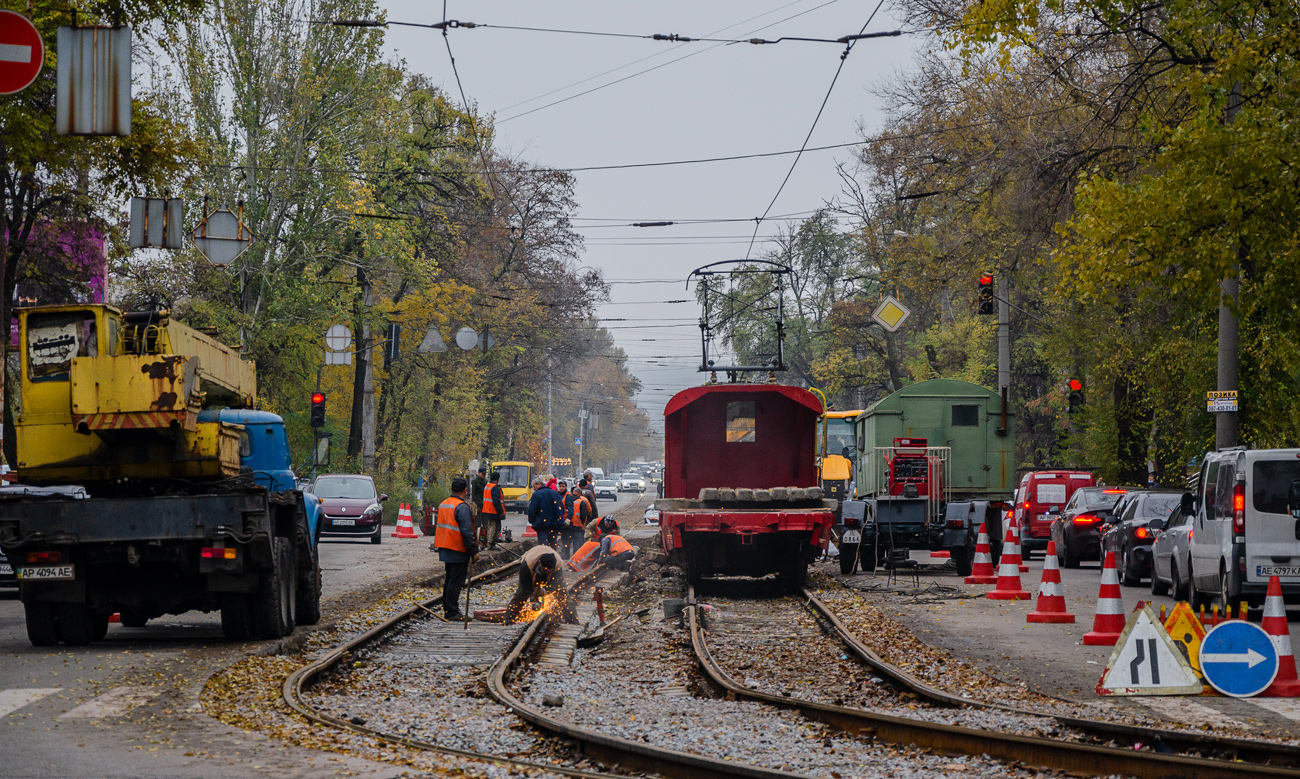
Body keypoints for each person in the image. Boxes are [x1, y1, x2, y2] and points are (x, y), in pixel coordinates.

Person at [433, 477, 479, 620]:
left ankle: (448, 609)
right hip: (458, 548)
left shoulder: (444, 504)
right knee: (456, 582)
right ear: (465, 490)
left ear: (452, 489)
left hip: (445, 547)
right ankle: (452, 612)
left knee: (449, 580)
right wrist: (474, 551)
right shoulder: (461, 507)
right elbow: (467, 531)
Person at [505, 544, 578, 624]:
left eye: (549, 571)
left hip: (551, 570)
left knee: (562, 596)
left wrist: (546, 591)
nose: (547, 572)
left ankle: (573, 621)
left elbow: (555, 585)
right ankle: (508, 620)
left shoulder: (558, 565)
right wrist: (534, 597)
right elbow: (526, 587)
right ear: (540, 563)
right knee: (520, 595)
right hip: (531, 566)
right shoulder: (527, 564)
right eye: (545, 570)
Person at [526, 476, 564, 550]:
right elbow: (560, 508)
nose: (534, 489)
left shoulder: (537, 494)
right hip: (554, 525)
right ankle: (553, 558)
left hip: (542, 525)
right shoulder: (555, 493)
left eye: (534, 486)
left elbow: (532, 510)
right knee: (552, 543)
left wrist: (532, 520)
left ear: (539, 484)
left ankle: (545, 559)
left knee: (543, 545)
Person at [481, 470, 505, 549]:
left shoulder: (487, 486)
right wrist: (501, 512)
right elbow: (496, 501)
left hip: (487, 510)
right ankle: (491, 544)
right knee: (494, 527)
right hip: (493, 511)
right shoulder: (495, 488)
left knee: (490, 526)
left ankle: (489, 543)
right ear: (498, 479)